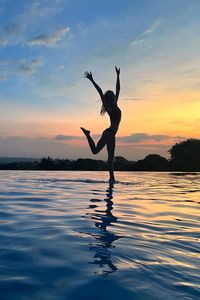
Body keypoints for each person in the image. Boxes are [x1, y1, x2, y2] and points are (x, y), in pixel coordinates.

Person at [81, 66, 121, 182]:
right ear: (108, 99)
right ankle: (112, 179)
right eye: (110, 96)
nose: (113, 96)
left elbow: (118, 89)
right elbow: (100, 92)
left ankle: (88, 134)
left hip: (107, 133)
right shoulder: (109, 107)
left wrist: (118, 75)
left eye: (112, 95)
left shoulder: (115, 104)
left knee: (95, 151)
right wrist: (92, 80)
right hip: (110, 133)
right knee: (111, 158)